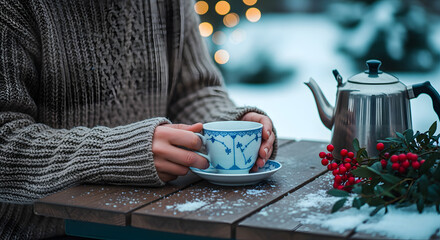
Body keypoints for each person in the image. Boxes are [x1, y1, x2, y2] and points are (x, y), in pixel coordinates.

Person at [0, 0, 277, 239]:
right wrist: (123, 151)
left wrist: (230, 123)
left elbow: (193, 91)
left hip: (154, 223)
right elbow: (6, 144)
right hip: (42, 231)